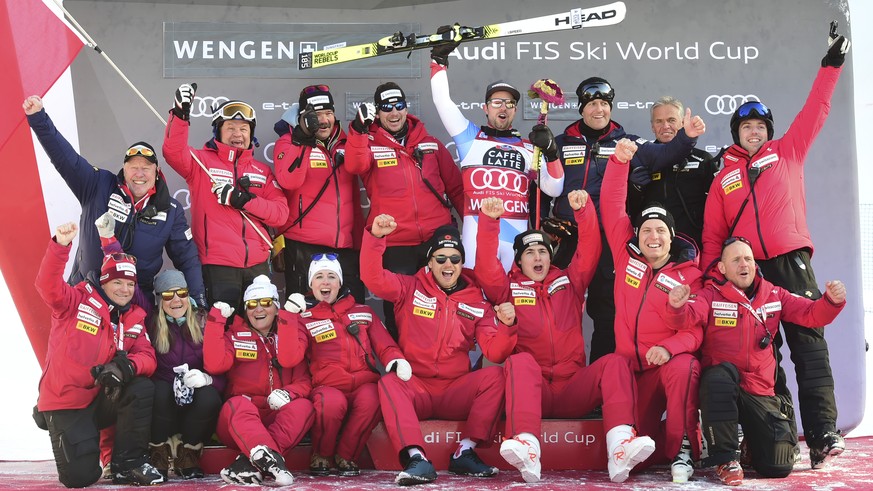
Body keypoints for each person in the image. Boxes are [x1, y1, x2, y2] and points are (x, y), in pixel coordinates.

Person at [700, 24, 851, 468]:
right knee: (765, 359)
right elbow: (712, 234)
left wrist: (832, 65)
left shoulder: (788, 151)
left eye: (760, 126)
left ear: (769, 130)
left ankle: (823, 434)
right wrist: (714, 271)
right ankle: (780, 436)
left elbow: (817, 109)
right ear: (736, 133)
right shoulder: (722, 177)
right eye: (746, 127)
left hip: (791, 261)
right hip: (750, 270)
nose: (754, 132)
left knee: (809, 347)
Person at [474, 194, 656, 484]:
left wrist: (583, 211)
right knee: (519, 361)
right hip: (535, 392)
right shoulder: (507, 288)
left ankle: (621, 446)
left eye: (543, 251)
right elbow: (485, 266)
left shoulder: (569, 281)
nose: (537, 257)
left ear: (551, 255)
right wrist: (489, 222)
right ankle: (526, 447)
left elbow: (590, 248)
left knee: (614, 363)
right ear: (519, 260)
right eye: (530, 252)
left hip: (573, 388)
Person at [543, 77, 705, 363]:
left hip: (609, 240)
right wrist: (544, 222)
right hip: (570, 237)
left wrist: (687, 137)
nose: (598, 110)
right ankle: (562, 380)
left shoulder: (627, 142)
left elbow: (665, 152)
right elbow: (543, 185)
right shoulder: (560, 142)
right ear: (581, 109)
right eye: (592, 104)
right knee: (558, 307)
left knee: (607, 310)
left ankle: (601, 383)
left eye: (604, 104)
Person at [670, 237, 846, 486]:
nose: (744, 264)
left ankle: (751, 446)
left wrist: (831, 301)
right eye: (736, 260)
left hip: (760, 393)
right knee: (718, 376)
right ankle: (726, 458)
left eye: (748, 259)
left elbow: (811, 314)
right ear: (722, 268)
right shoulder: (709, 295)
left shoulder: (774, 293)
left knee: (777, 466)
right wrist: (676, 307)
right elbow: (687, 318)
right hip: (723, 387)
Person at [361, 218, 517, 486]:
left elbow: (495, 351)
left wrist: (507, 326)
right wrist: (376, 238)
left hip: (454, 389)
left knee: (495, 377)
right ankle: (416, 457)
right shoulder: (409, 287)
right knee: (389, 381)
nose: (448, 265)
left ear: (462, 263)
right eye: (441, 258)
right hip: (416, 387)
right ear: (429, 262)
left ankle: (465, 451)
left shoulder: (476, 300)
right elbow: (373, 278)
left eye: (455, 259)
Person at [23, 96, 205, 308]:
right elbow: (65, 158)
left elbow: (187, 258)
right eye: (133, 167)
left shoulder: (170, 210)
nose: (139, 173)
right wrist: (38, 117)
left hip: (135, 303)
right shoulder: (98, 184)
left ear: (156, 172)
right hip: (87, 295)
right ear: (124, 169)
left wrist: (199, 299)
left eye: (146, 167)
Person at [601, 139, 705, 483]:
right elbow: (612, 205)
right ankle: (661, 441)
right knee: (637, 461)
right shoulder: (625, 255)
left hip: (664, 367)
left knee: (685, 365)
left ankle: (682, 450)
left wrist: (669, 347)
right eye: (646, 230)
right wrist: (618, 163)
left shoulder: (689, 274)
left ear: (672, 237)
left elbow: (695, 331)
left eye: (661, 230)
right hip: (632, 373)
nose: (653, 236)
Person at [34, 222, 163, 487]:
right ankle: (55, 420)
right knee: (80, 478)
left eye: (130, 284)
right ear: (104, 282)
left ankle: (128, 464)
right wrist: (60, 246)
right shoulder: (76, 300)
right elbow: (47, 286)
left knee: (142, 387)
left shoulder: (135, 317)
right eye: (117, 282)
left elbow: (148, 357)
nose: (124, 290)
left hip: (103, 399)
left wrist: (125, 367)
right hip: (68, 401)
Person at [430, 34, 565, 270]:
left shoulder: (528, 147)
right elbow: (443, 102)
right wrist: (438, 61)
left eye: (510, 103)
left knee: (512, 304)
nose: (503, 107)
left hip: (517, 240)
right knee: (477, 301)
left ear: (514, 111)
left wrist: (551, 153)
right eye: (496, 102)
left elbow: (554, 188)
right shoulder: (470, 138)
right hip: (476, 240)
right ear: (485, 109)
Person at [345, 82, 464, 339]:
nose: (394, 113)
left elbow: (456, 190)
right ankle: (401, 365)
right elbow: (354, 165)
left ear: (406, 107)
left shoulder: (430, 144)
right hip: (397, 242)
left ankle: (445, 358)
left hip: (437, 239)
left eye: (399, 106)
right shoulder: (369, 145)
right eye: (386, 108)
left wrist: (474, 226)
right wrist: (357, 131)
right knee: (400, 308)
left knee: (446, 302)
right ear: (377, 113)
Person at [163, 84, 289, 309]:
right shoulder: (201, 162)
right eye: (230, 127)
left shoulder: (262, 171)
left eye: (244, 128)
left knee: (258, 332)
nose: (238, 134)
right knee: (222, 332)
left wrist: (244, 200)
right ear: (218, 132)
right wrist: (180, 114)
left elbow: (280, 214)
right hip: (217, 266)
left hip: (258, 267)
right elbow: (173, 152)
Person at [283, 254, 405, 477]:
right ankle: (322, 454)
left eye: (331, 276)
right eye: (319, 276)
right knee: (330, 403)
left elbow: (384, 344)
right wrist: (289, 318)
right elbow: (290, 358)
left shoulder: (363, 312)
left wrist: (396, 360)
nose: (326, 282)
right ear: (311, 284)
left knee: (374, 398)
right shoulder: (304, 318)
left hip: (364, 381)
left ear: (340, 283)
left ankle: (347, 455)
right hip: (327, 384)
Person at [204, 275, 313, 486]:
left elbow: (304, 381)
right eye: (252, 304)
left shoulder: (290, 334)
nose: (258, 309)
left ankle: (250, 463)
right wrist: (216, 322)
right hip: (240, 420)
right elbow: (214, 365)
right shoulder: (234, 335)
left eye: (265, 303)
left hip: (276, 413)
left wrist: (288, 393)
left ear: (276, 307)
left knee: (304, 406)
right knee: (237, 404)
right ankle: (270, 461)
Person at [273, 84, 365, 303]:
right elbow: (289, 180)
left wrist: (360, 133)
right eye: (317, 114)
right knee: (304, 315)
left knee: (351, 312)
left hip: (345, 245)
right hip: (303, 246)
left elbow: (360, 167)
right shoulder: (288, 141)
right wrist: (302, 140)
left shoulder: (346, 141)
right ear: (304, 116)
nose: (323, 120)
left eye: (329, 113)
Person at [146, 269, 223, 480]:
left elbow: (224, 367)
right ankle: (158, 452)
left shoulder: (204, 322)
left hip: (194, 409)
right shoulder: (152, 323)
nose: (176, 300)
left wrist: (208, 379)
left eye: (181, 293)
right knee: (158, 391)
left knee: (210, 397)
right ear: (160, 300)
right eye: (168, 295)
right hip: (164, 406)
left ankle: (188, 453)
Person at [641, 96, 716, 248]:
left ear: (683, 123)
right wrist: (634, 187)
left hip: (695, 245)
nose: (665, 126)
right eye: (659, 121)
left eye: (671, 120)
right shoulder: (641, 158)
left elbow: (718, 209)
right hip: (654, 248)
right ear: (652, 127)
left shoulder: (703, 160)